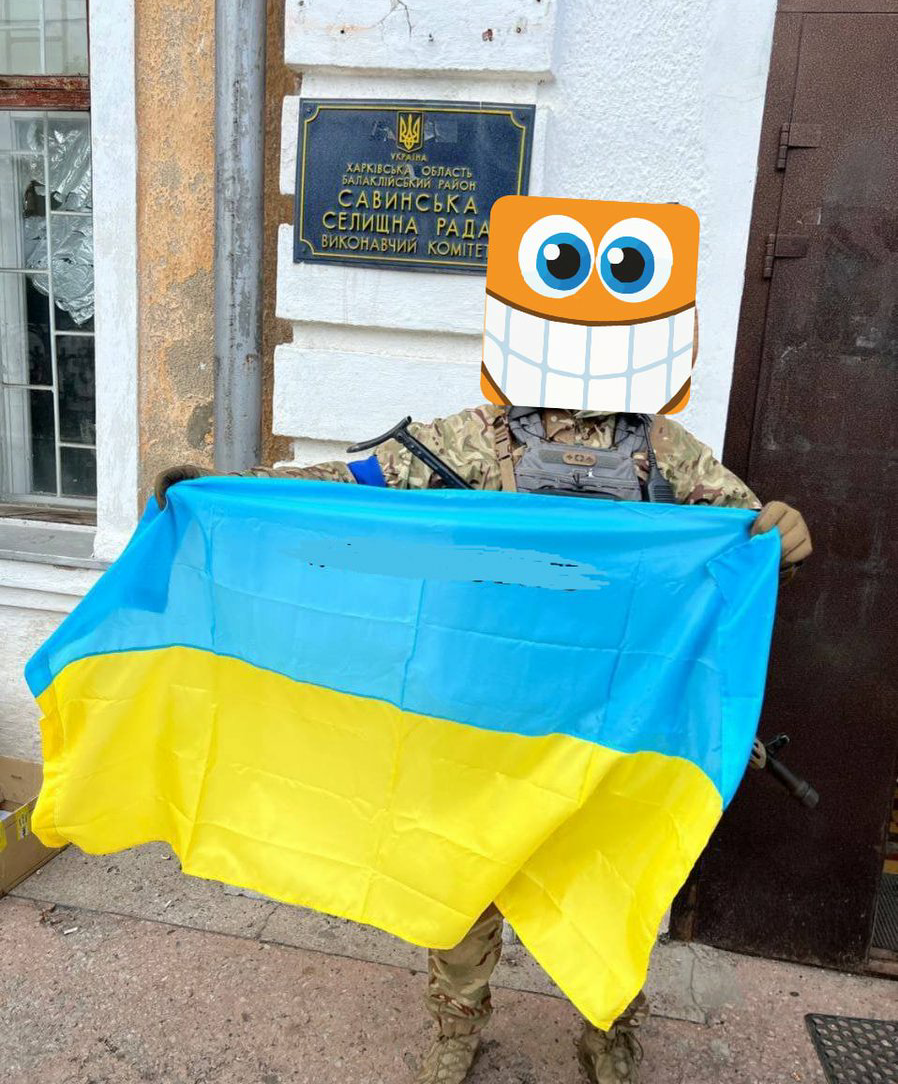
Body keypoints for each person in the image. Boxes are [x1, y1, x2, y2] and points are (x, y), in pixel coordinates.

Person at [155, 404, 811, 1084]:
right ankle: (456, 1026)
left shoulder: (663, 448)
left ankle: (610, 1026)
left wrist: (782, 537)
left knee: (615, 886)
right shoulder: (473, 437)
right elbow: (350, 486)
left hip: (615, 722)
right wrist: (224, 490)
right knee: (461, 881)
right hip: (480, 716)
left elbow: (747, 547)